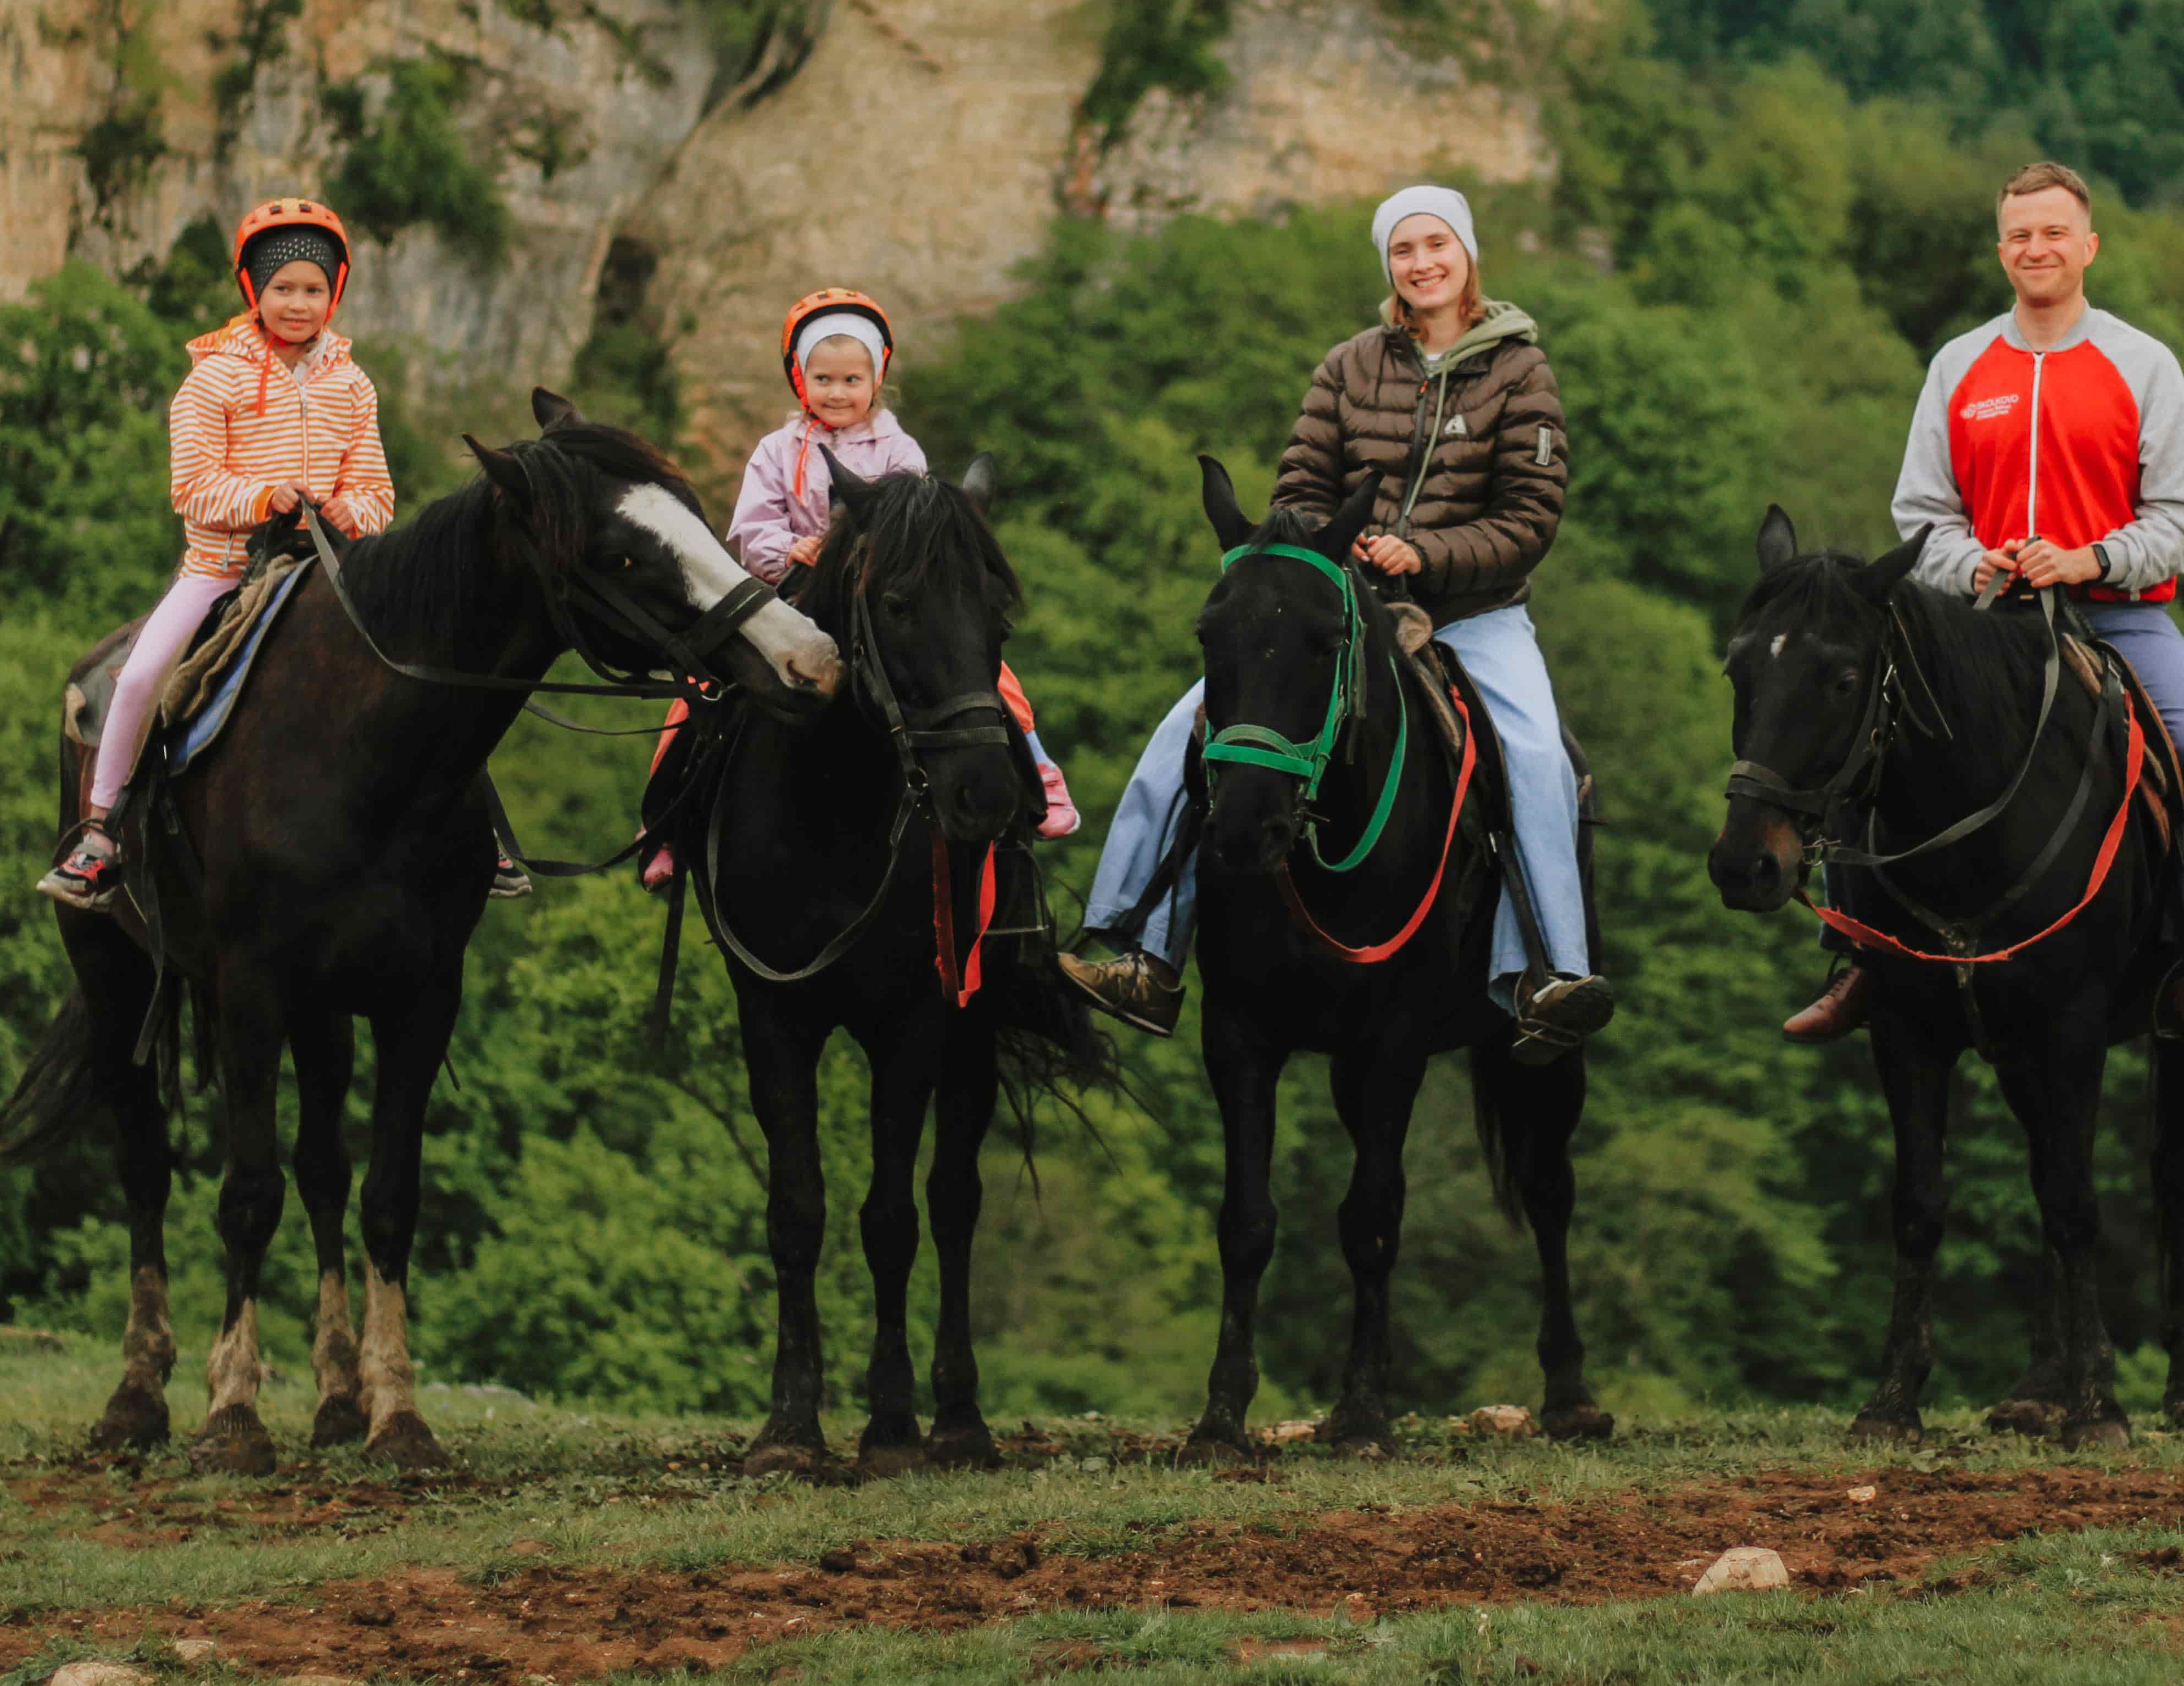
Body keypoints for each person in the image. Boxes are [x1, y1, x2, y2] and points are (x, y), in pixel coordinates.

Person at [1058, 185, 1618, 1064]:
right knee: (1189, 731)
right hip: (1341, 611)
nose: (1422, 263)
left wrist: (1423, 554)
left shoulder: (1522, 371)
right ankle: (1144, 949)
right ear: (1387, 265)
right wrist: (1333, 555)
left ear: (1468, 254)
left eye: (1437, 244)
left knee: (1541, 756)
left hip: (1475, 615)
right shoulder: (1348, 365)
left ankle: (1549, 973)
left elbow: (1530, 516)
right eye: (1404, 250)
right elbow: (1298, 491)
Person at [1785, 161, 2184, 1056]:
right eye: (2019, 235)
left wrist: (2090, 557)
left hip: (2118, 617)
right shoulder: (1960, 365)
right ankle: (1853, 957)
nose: (2035, 248)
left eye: (2053, 233)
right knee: (1857, 730)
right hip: (1981, 627)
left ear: (2089, 246)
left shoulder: (2143, 364)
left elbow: (2181, 524)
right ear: (2002, 250)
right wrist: (1974, 567)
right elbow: (1922, 512)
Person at [40, 199, 413, 908]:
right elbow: (193, 488)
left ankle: (481, 839)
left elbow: (377, 492)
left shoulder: (352, 385)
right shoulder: (214, 378)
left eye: (312, 289)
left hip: (327, 575)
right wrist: (265, 497)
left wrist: (347, 510)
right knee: (144, 672)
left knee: (417, 662)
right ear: (254, 291)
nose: (298, 304)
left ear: (333, 293)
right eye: (283, 289)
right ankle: (101, 833)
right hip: (224, 572)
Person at [637, 289, 1077, 892]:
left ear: (876, 378)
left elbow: (921, 530)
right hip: (793, 594)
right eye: (823, 378)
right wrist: (787, 549)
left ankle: (1040, 772)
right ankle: (666, 819)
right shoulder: (776, 451)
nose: (837, 392)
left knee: (984, 669)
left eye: (851, 378)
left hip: (879, 595)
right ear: (800, 378)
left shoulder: (900, 449)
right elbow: (752, 530)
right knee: (703, 687)